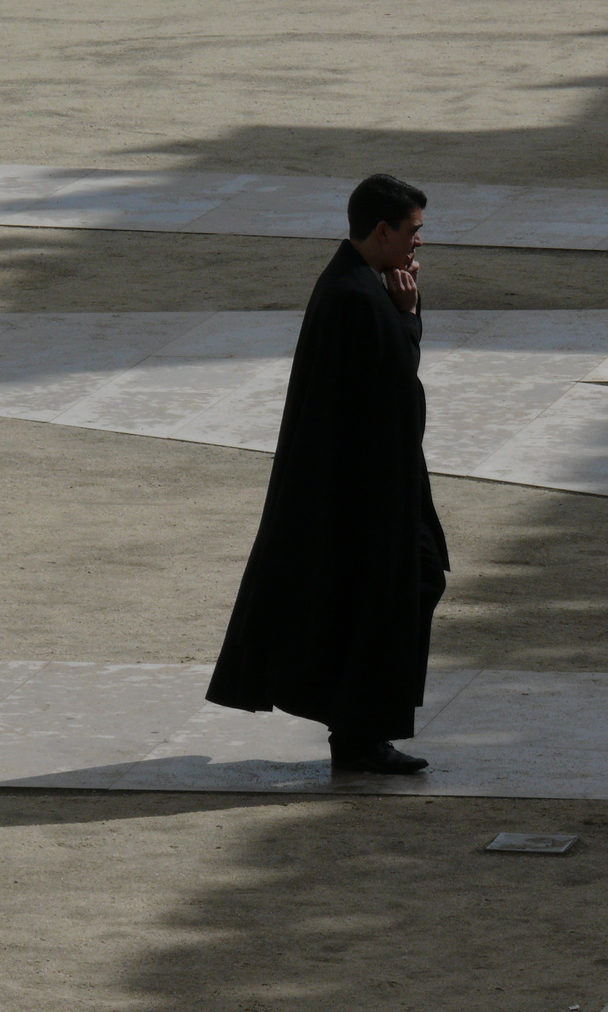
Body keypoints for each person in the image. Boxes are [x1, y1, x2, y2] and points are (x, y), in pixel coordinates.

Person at [204, 174, 449, 775]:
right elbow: (398, 388)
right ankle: (361, 737)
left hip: (371, 482)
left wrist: (404, 313)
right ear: (383, 229)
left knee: (398, 591)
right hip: (362, 492)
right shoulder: (354, 296)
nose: (420, 243)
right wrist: (409, 317)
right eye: (414, 231)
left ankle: (361, 733)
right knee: (392, 593)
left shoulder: (360, 285)